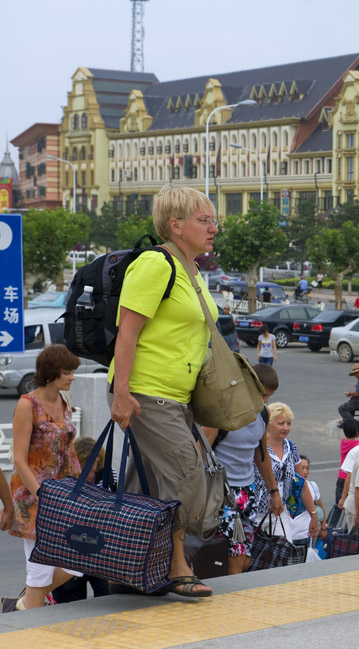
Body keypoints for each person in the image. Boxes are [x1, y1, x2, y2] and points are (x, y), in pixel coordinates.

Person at [108, 185, 219, 598]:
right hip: (145, 392)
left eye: (213, 220)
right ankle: (176, 565)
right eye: (204, 220)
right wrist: (122, 393)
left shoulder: (192, 273)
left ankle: (128, 567)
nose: (214, 228)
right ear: (175, 225)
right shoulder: (156, 264)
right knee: (189, 478)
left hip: (176, 396)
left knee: (146, 486)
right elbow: (127, 333)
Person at [8, 344, 84, 609]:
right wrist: (42, 494)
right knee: (39, 567)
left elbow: (68, 449)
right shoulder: (26, 404)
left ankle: (28, 602)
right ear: (51, 373)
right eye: (67, 372)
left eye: (73, 371)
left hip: (63, 492)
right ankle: (33, 620)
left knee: (78, 560)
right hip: (33, 495)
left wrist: (81, 485)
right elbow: (19, 458)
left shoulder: (64, 400)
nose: (72, 377)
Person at [202, 363, 284, 574]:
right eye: (262, 394)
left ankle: (230, 594)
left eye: (270, 396)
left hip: (247, 492)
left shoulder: (263, 414)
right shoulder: (224, 410)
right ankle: (233, 599)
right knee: (235, 555)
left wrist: (273, 491)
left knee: (246, 557)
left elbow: (261, 455)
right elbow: (199, 452)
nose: (266, 401)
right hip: (221, 492)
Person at [50, 437, 112, 604]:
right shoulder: (62, 478)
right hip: (71, 550)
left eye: (90, 470)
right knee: (70, 605)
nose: (86, 476)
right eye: (81, 471)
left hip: (99, 549)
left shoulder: (107, 475)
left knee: (108, 599)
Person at [250, 402, 318, 540]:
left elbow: (301, 484)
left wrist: (313, 514)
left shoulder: (291, 447)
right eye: (281, 423)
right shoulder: (256, 446)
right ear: (269, 424)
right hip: (254, 513)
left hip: (280, 512)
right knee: (252, 559)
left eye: (288, 424)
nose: (286, 428)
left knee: (284, 554)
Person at [336, 418, 359, 505]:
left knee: (338, 505)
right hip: (349, 477)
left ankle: (333, 519)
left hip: (341, 476)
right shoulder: (357, 444)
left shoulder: (343, 442)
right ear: (356, 432)